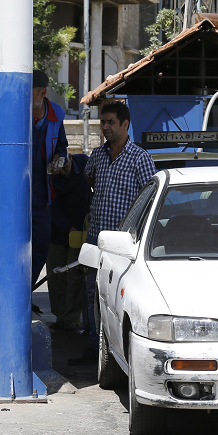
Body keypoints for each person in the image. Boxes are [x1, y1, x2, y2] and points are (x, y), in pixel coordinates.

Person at [68, 100, 156, 366]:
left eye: (110, 122)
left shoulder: (140, 158)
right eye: (102, 122)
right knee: (92, 293)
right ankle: (94, 346)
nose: (105, 127)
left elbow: (149, 198)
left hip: (124, 243)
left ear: (125, 125)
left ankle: (117, 351)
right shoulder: (97, 155)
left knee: (119, 296)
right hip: (96, 239)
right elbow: (89, 178)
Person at [0, 70, 69, 293]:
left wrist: (59, 158)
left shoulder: (56, 115)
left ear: (42, 92)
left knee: (40, 249)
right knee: (11, 250)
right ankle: (11, 295)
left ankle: (23, 293)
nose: (23, 95)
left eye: (29, 91)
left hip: (42, 198)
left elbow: (62, 146)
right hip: (13, 198)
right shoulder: (11, 113)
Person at [46, 153, 91, 332]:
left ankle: (71, 319)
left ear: (71, 158)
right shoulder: (50, 175)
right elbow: (49, 204)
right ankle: (60, 317)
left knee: (75, 277)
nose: (62, 171)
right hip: (57, 231)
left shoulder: (84, 163)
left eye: (65, 167)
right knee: (56, 277)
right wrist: (67, 227)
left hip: (79, 232)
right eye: (58, 169)